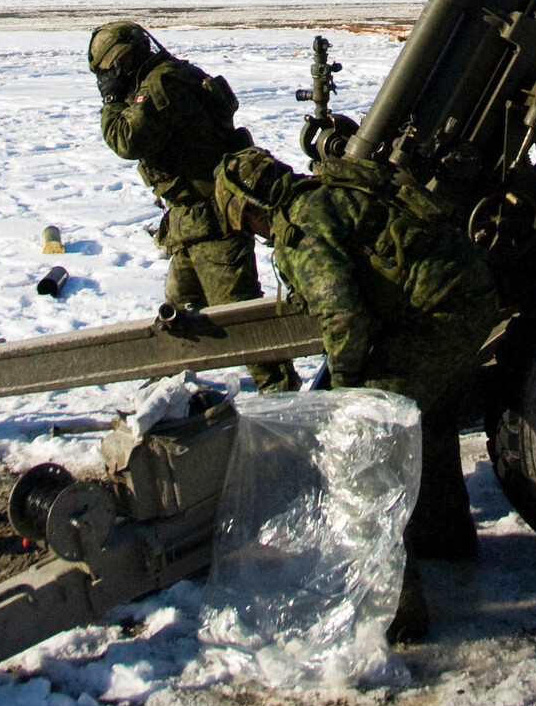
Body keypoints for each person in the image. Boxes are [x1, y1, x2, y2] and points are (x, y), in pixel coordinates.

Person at [211, 143, 503, 641]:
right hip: (466, 291)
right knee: (426, 421)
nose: (253, 235)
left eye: (246, 224)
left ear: (253, 209)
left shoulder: (302, 229)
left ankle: (395, 611)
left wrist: (348, 399)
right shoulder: (330, 190)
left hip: (441, 313)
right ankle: (444, 539)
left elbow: (342, 316)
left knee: (364, 450)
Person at [87, 20, 296, 392]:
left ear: (122, 62)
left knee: (238, 315)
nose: (107, 78)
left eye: (107, 71)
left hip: (214, 220)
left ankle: (279, 391)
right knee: (178, 311)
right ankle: (168, 384)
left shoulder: (159, 85)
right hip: (191, 221)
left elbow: (126, 140)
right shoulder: (174, 73)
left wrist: (110, 101)